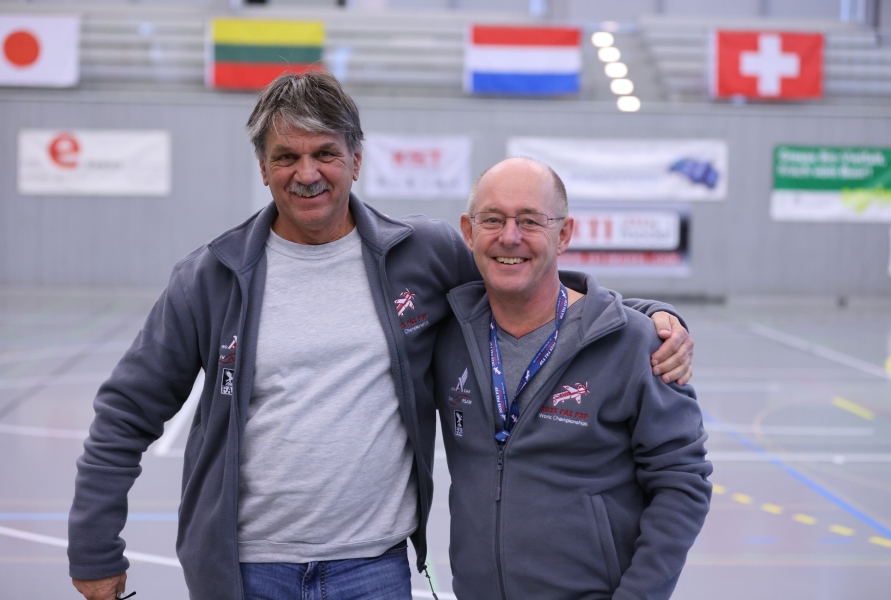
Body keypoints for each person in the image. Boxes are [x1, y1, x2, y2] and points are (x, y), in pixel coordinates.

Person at [67, 72, 695, 600]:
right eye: (286, 157)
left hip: (373, 570)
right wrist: (94, 546)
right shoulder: (211, 278)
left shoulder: (421, 254)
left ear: (356, 160)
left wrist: (651, 316)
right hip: (246, 570)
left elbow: (526, 275)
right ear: (262, 167)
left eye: (325, 153)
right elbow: (126, 412)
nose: (307, 174)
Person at [432, 158, 712, 600]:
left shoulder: (636, 345)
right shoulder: (447, 334)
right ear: (469, 232)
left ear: (564, 235)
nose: (510, 236)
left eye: (530, 220)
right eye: (493, 219)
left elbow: (683, 483)